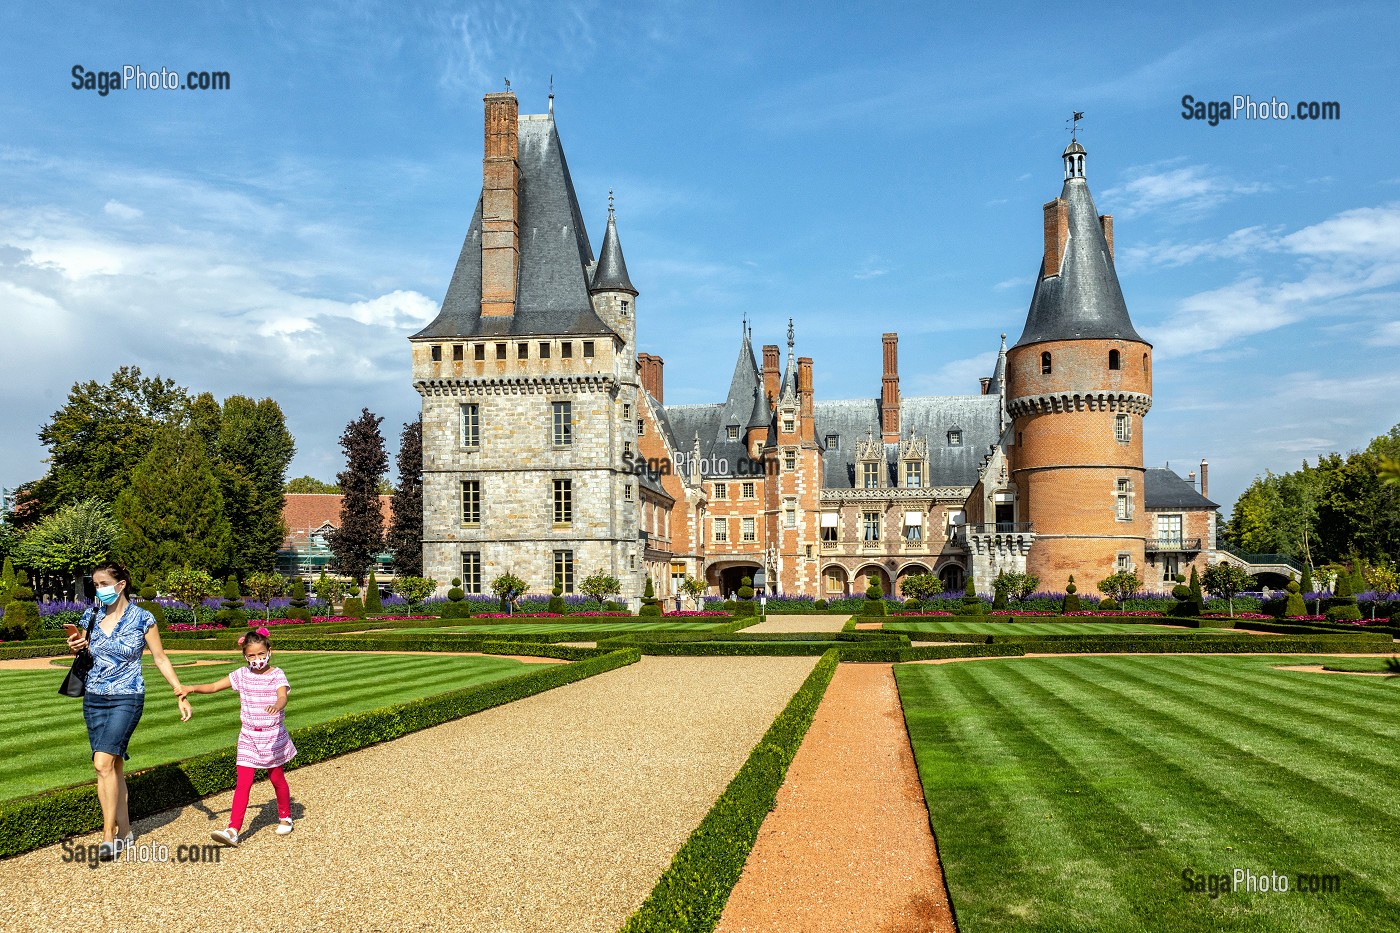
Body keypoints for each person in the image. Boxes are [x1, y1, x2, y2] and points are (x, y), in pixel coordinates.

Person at [66, 560, 192, 861]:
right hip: (94, 697)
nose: (99, 590)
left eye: (103, 584)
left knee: (102, 762)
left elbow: (160, 658)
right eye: (95, 586)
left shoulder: (142, 618)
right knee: (112, 767)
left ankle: (108, 836)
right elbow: (83, 649)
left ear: (120, 585)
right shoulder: (91, 614)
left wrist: (180, 691)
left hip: (127, 697)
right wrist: (75, 644)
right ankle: (125, 832)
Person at [180, 627, 297, 846]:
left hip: (273, 737)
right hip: (249, 737)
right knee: (243, 782)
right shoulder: (241, 675)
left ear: (269, 651)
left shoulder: (277, 674)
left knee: (276, 778)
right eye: (251, 655)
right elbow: (215, 686)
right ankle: (233, 829)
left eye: (261, 654)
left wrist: (277, 705)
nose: (257, 659)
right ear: (245, 656)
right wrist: (192, 688)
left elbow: (283, 696)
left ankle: (285, 815)